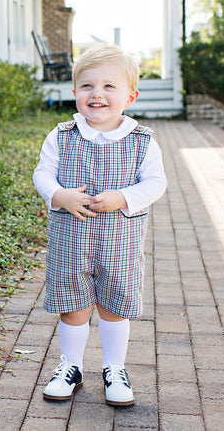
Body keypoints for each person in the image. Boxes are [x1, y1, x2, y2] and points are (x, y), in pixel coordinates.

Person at [32, 43, 167, 406]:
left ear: (130, 96)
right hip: (70, 240)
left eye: (110, 86)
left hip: (119, 240)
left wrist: (123, 198)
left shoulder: (142, 141)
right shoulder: (61, 136)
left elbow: (156, 184)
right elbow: (42, 175)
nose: (97, 94)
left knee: (114, 305)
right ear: (75, 92)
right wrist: (60, 195)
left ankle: (114, 368)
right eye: (88, 86)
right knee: (72, 305)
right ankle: (70, 366)